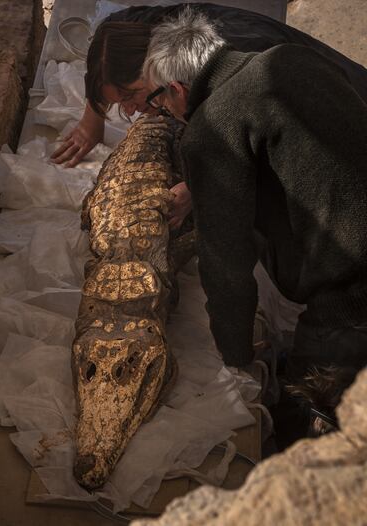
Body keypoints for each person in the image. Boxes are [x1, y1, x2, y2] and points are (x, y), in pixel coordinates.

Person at [141, 8, 367, 439]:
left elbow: (226, 263)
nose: (163, 111)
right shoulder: (289, 58)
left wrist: (237, 352)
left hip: (352, 299)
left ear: (176, 89)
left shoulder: (210, 128)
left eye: (159, 101)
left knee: (305, 425)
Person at [51, 3, 367, 231]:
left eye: (131, 96)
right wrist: (92, 119)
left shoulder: (233, 73)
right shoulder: (136, 31)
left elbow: (268, 143)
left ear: (166, 79)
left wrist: (195, 188)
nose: (131, 112)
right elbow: (106, 43)